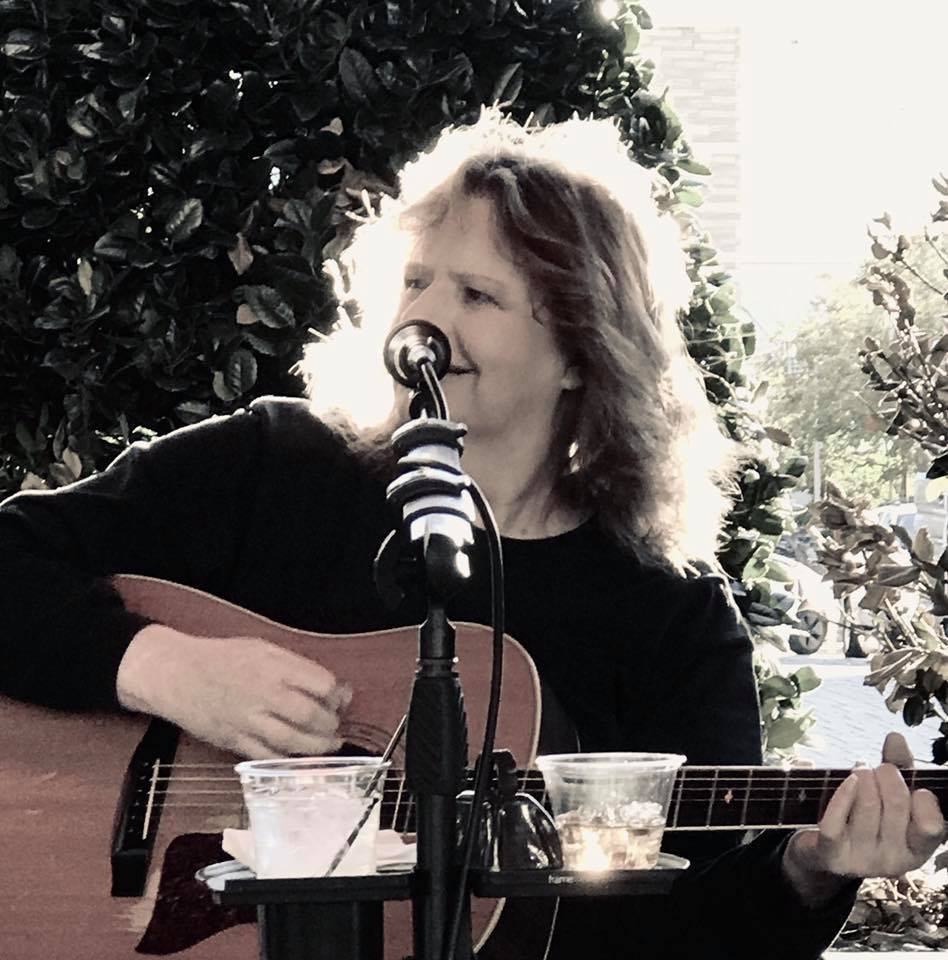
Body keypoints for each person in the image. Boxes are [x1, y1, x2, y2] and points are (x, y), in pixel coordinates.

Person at [0, 106, 943, 960]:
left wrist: (809, 872)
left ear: (580, 352)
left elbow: (688, 931)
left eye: (477, 296)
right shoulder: (272, 465)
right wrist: (164, 668)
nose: (425, 318)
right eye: (417, 281)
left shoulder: (671, 612)